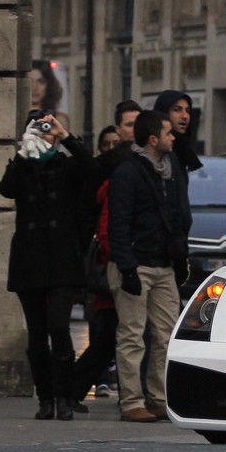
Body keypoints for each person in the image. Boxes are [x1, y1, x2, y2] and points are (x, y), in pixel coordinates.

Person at [0, 109, 93, 421]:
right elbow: (6, 189)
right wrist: (24, 152)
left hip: (63, 260)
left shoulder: (66, 164)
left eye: (48, 129)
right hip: (30, 260)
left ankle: (66, 395)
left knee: (58, 325)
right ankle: (45, 397)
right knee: (37, 333)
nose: (43, 134)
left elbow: (91, 168)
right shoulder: (21, 166)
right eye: (38, 129)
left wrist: (65, 136)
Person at [106, 109, 191, 422]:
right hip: (136, 264)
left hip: (163, 263)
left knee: (166, 336)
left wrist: (180, 257)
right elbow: (119, 224)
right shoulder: (128, 172)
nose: (174, 137)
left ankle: (158, 397)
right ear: (153, 139)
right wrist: (127, 268)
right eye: (168, 133)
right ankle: (131, 401)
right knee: (131, 336)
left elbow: (181, 215)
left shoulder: (171, 169)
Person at [70, 100, 143, 412]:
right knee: (107, 337)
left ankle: (72, 390)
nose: (133, 131)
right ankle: (71, 390)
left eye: (138, 124)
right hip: (111, 261)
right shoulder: (112, 166)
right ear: (117, 128)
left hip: (133, 258)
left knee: (127, 336)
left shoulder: (147, 161)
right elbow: (96, 214)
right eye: (128, 125)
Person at [152, 89, 204, 185]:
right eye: (177, 110)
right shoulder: (157, 150)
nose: (185, 116)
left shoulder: (184, 150)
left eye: (187, 111)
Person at [29, 60, 72, 132]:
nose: (34, 87)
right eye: (30, 81)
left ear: (49, 85)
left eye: (41, 81)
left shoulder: (59, 119)